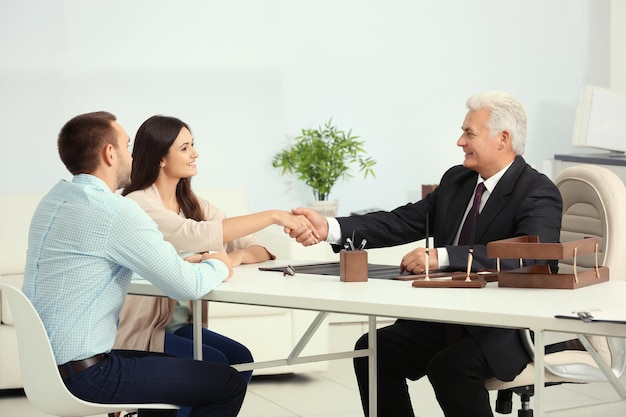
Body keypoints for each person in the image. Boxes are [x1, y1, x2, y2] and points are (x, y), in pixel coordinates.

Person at [288, 91, 564, 417]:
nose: (460, 141)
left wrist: (443, 256)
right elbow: (400, 221)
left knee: (449, 367)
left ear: (503, 138)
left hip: (502, 330)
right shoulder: (457, 181)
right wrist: (330, 228)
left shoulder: (538, 191)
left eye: (469, 133)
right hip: (447, 317)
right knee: (373, 351)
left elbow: (532, 256)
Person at [22, 111, 247, 417]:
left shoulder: (54, 201)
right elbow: (188, 286)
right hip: (88, 375)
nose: (133, 157)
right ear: (109, 153)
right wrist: (220, 263)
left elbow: (100, 262)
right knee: (227, 383)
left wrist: (180, 260)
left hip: (47, 369)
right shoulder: (115, 211)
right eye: (127, 147)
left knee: (173, 376)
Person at [114, 115, 317, 391]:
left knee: (240, 359)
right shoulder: (137, 204)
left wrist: (232, 258)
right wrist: (273, 216)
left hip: (183, 325)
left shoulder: (193, 204)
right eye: (185, 148)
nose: (195, 153)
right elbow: (193, 234)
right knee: (215, 366)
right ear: (161, 158)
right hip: (148, 330)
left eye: (193, 145)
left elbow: (259, 248)